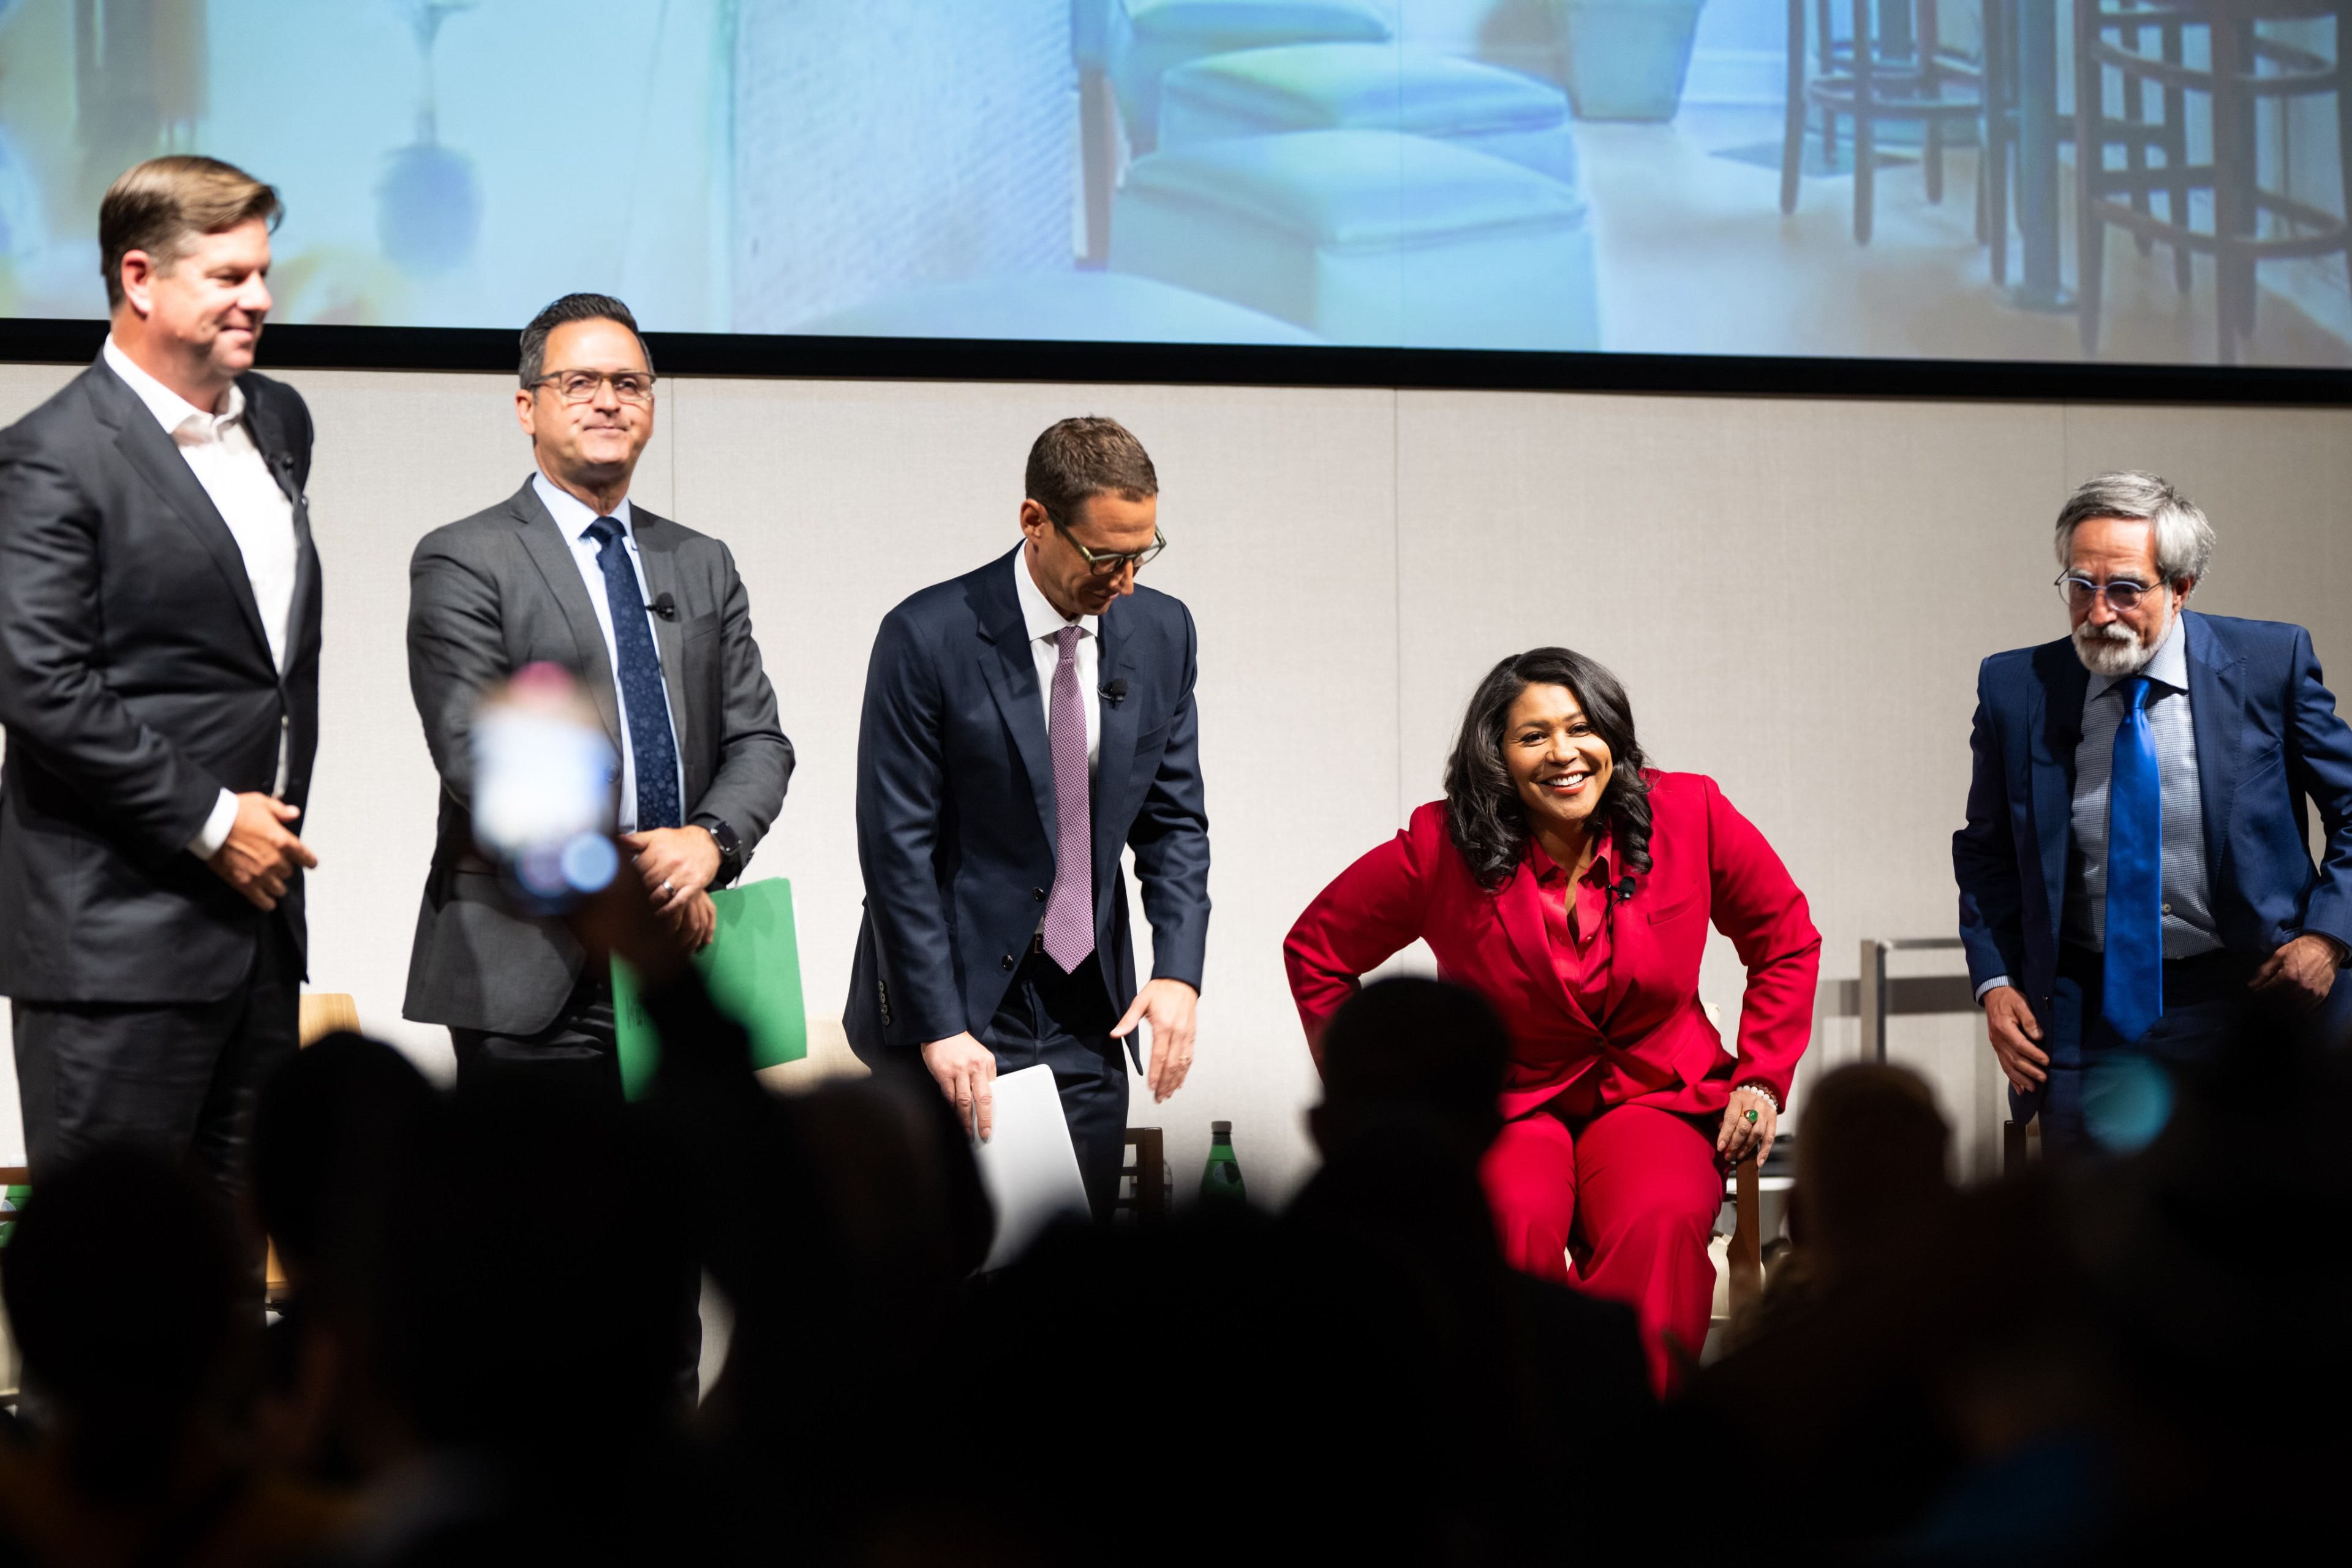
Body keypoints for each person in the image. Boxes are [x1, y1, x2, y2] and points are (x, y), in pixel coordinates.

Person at [1285, 646, 1820, 1389]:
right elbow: (1317, 948)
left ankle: (1635, 1437)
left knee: (1660, 1219)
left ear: (1613, 738)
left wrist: (1762, 1079)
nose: (1564, 753)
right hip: (1508, 1101)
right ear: (1497, 754)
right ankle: (1512, 1451)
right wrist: (1391, 1106)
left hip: (1656, 1092)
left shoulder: (1691, 811)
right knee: (1505, 1224)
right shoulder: (1441, 844)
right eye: (1533, 736)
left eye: (1581, 728)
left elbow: (1785, 936)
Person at [0, 156, 320, 1196]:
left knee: (228, 1297)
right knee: (108, 1306)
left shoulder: (279, 420)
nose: (260, 299)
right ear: (140, 280)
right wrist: (218, 823)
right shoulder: (51, 456)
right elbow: (41, 682)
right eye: (229, 277)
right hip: (115, 948)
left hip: (257, 938)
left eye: (263, 272)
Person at [403, 292, 793, 1095]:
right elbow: (480, 758)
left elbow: (758, 740)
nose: (609, 401)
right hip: (529, 973)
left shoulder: (700, 562)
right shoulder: (466, 558)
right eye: (579, 382)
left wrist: (710, 843)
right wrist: (633, 889)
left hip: (685, 964)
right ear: (526, 407)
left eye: (631, 382)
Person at [846, 415, 1210, 1218]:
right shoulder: (928, 636)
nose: (1124, 580)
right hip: (957, 1007)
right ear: (1034, 523)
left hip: (1090, 1010)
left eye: (1142, 553)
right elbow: (896, 849)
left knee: (1062, 1295)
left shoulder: (1161, 632)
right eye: (1105, 556)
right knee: (944, 1280)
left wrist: (1179, 970)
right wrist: (939, 1024)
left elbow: (1174, 820)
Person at [1953, 472, 2352, 1155]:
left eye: (2125, 590)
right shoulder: (2016, 686)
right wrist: (1995, 982)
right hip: (2084, 1007)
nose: (2098, 612)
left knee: (2258, 1230)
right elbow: (1986, 850)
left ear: (2182, 586)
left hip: (2249, 991)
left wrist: (2327, 937)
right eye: (2080, 586)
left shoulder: (2267, 664)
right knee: (2097, 1236)